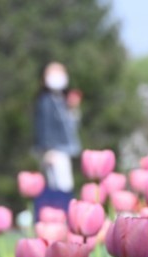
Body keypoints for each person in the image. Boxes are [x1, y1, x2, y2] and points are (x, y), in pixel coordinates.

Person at [33, 62, 82, 216]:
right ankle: (59, 217)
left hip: (65, 148)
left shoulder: (62, 100)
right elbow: (44, 127)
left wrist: (73, 108)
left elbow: (71, 126)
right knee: (60, 184)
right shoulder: (45, 101)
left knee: (65, 183)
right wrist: (47, 150)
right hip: (54, 150)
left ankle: (62, 217)